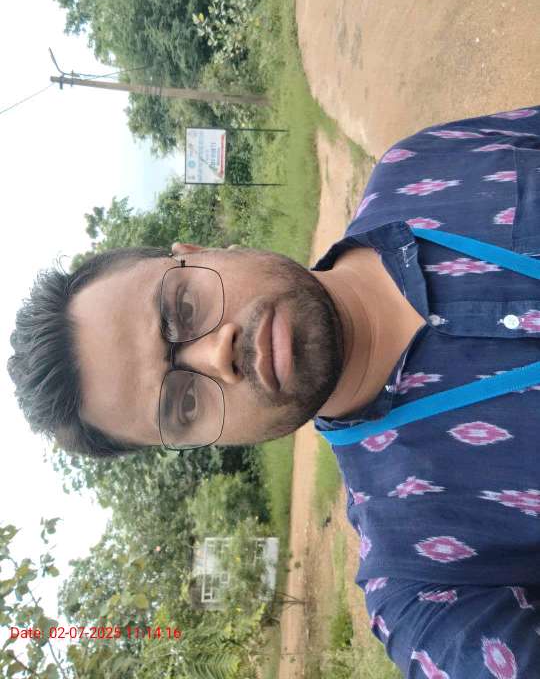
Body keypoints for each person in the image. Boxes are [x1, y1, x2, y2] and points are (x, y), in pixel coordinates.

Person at [9, 103, 540, 676]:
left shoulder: (417, 166)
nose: (216, 355)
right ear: (207, 442)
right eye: (182, 403)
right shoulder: (423, 584)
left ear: (196, 253)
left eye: (181, 310)